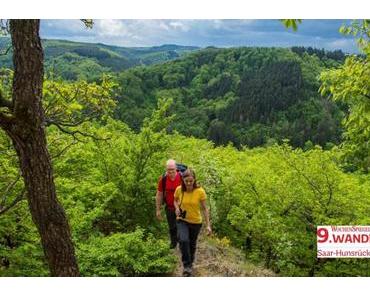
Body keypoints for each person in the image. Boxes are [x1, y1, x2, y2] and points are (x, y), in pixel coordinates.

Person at [174, 168, 212, 276]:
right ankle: (186, 266)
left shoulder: (200, 191)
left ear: (194, 180)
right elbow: (175, 200)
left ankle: (190, 264)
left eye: (191, 181)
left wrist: (208, 225)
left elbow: (205, 209)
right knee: (183, 240)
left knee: (192, 244)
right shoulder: (179, 189)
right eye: (187, 181)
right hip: (182, 220)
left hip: (196, 222)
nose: (189, 183)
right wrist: (176, 208)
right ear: (183, 180)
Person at [156, 159, 182, 249]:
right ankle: (173, 243)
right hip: (169, 207)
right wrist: (158, 209)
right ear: (166, 169)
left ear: (176, 168)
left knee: (181, 225)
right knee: (172, 227)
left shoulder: (182, 177)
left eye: (172, 169)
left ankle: (182, 242)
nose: (170, 172)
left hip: (182, 206)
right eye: (168, 170)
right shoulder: (163, 179)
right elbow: (159, 194)